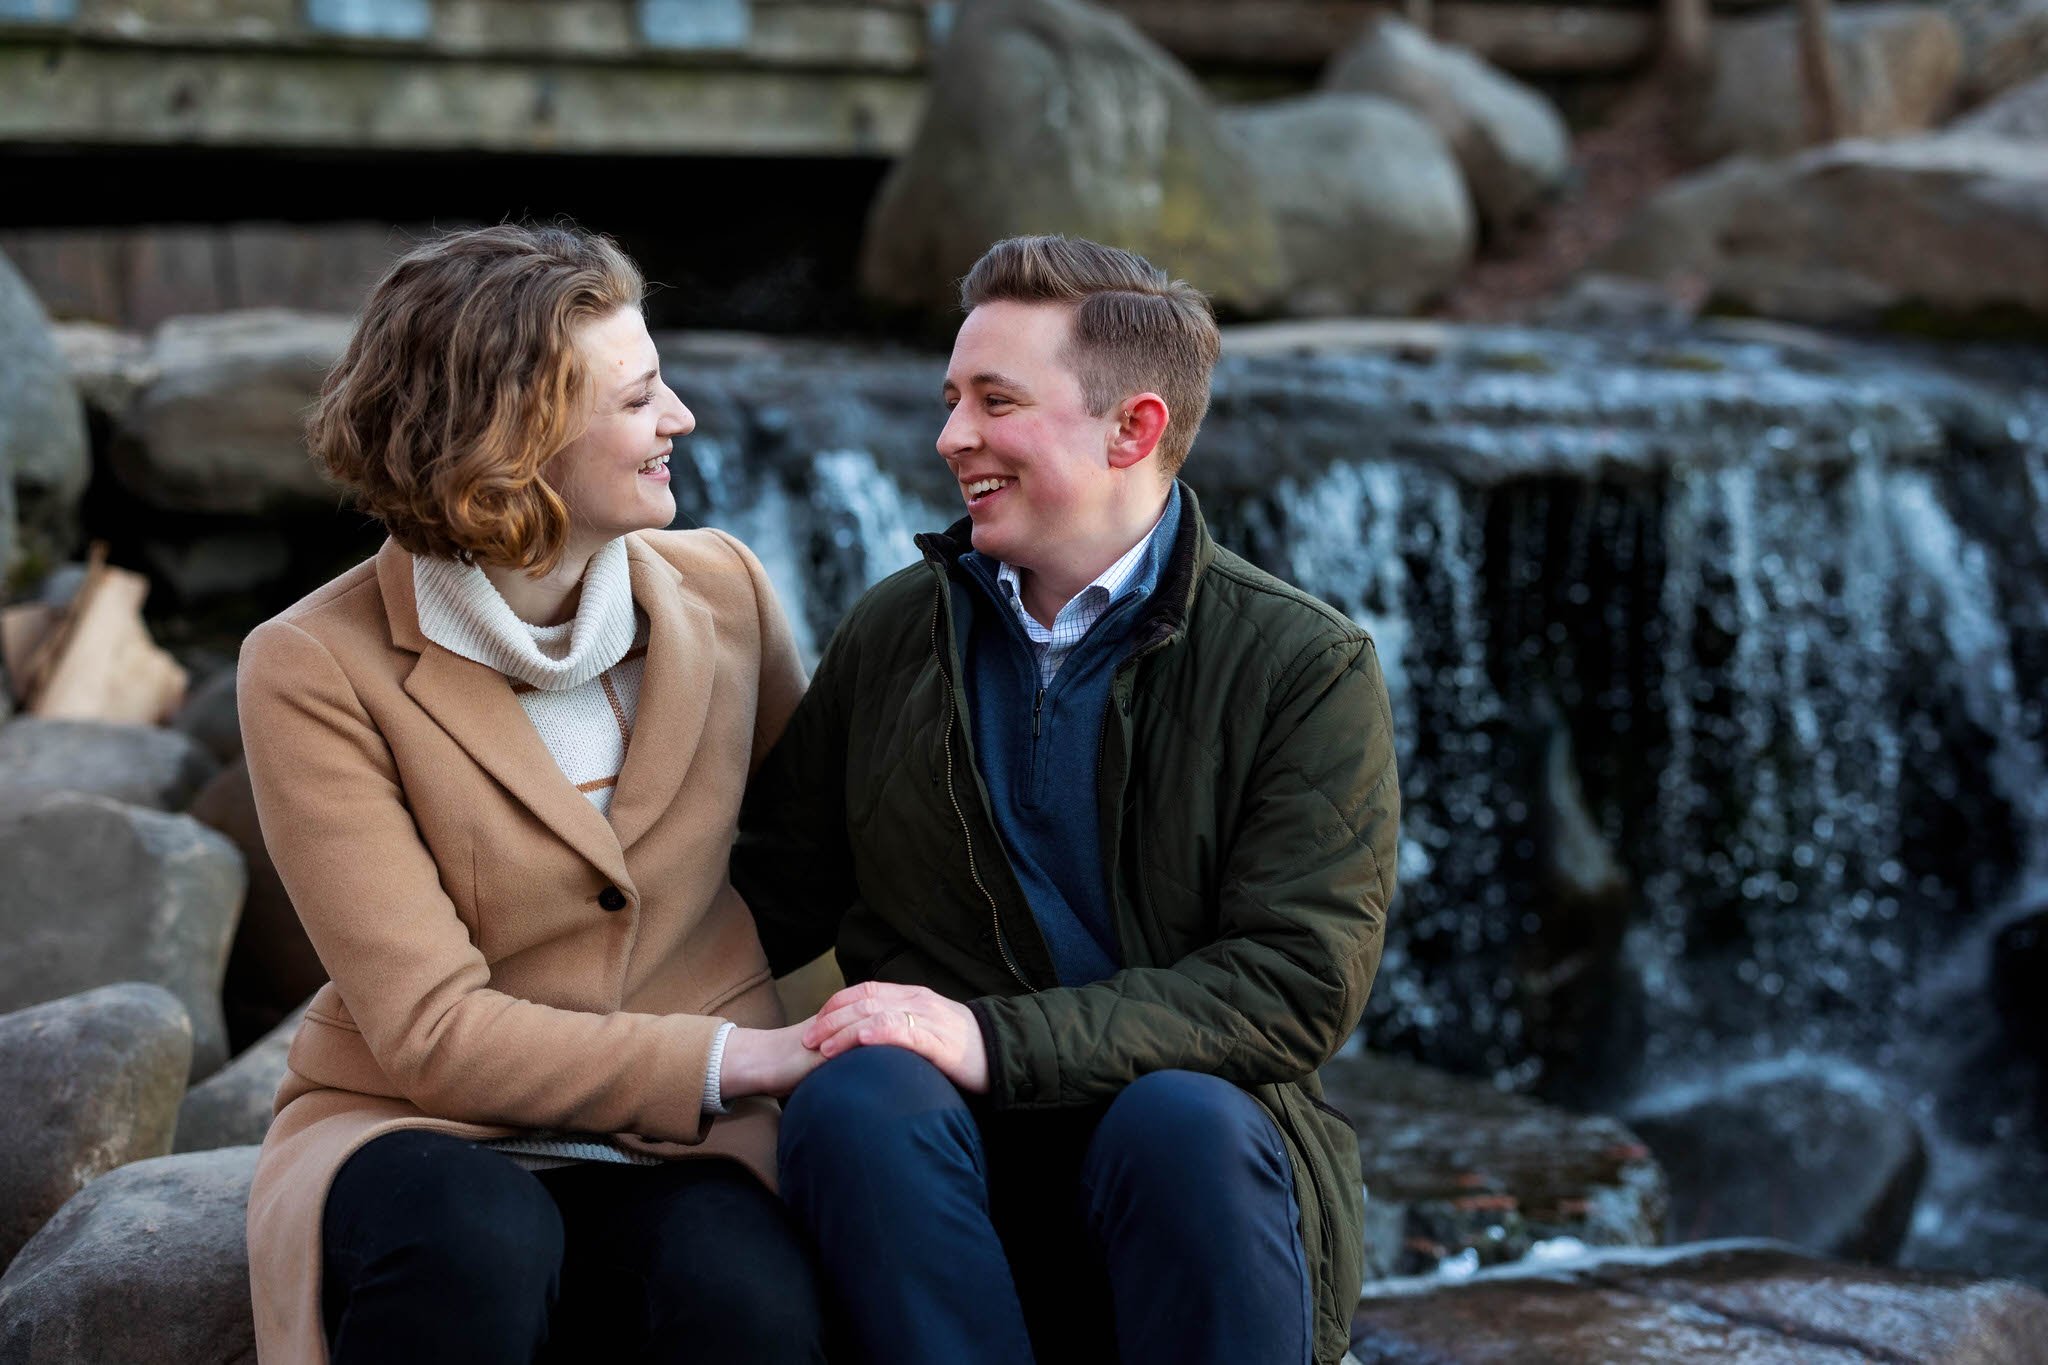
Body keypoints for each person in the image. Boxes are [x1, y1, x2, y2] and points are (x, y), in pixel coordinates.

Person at [733, 234, 1400, 1365]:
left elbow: (1292, 984)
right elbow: (765, 899)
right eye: (951, 400)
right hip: (936, 1168)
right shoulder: (897, 630)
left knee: (1179, 1117)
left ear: (1131, 429)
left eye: (995, 402)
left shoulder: (1301, 663)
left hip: (1182, 1169)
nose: (951, 439)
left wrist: (988, 1037)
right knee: (857, 1100)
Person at [238, 223, 829, 1365]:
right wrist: (733, 1060)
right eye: (639, 399)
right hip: (421, 1120)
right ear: (516, 440)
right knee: (476, 1248)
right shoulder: (312, 665)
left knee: (747, 1309)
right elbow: (427, 1027)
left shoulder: (728, 591)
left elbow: (824, 864)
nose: (681, 422)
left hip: (685, 1146)